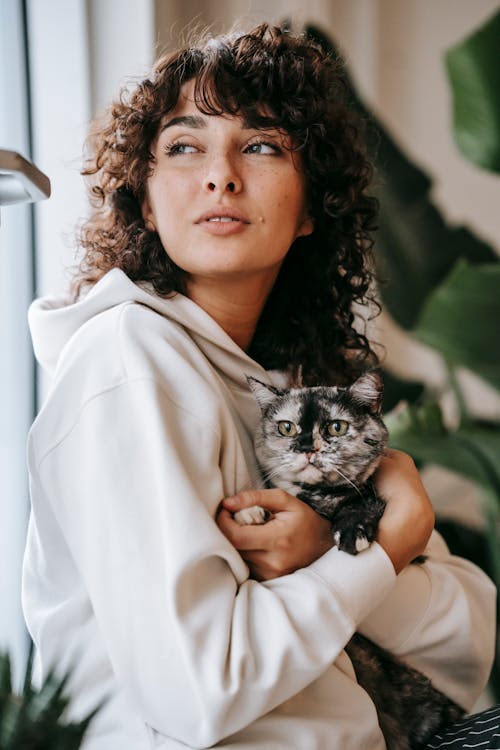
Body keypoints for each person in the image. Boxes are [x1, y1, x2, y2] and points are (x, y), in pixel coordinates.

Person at [23, 23, 496, 750]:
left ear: (313, 208)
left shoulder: (293, 388)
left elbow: (471, 641)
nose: (221, 176)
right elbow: (200, 692)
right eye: (184, 146)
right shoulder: (127, 363)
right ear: (144, 200)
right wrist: (375, 551)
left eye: (262, 145)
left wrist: (330, 554)